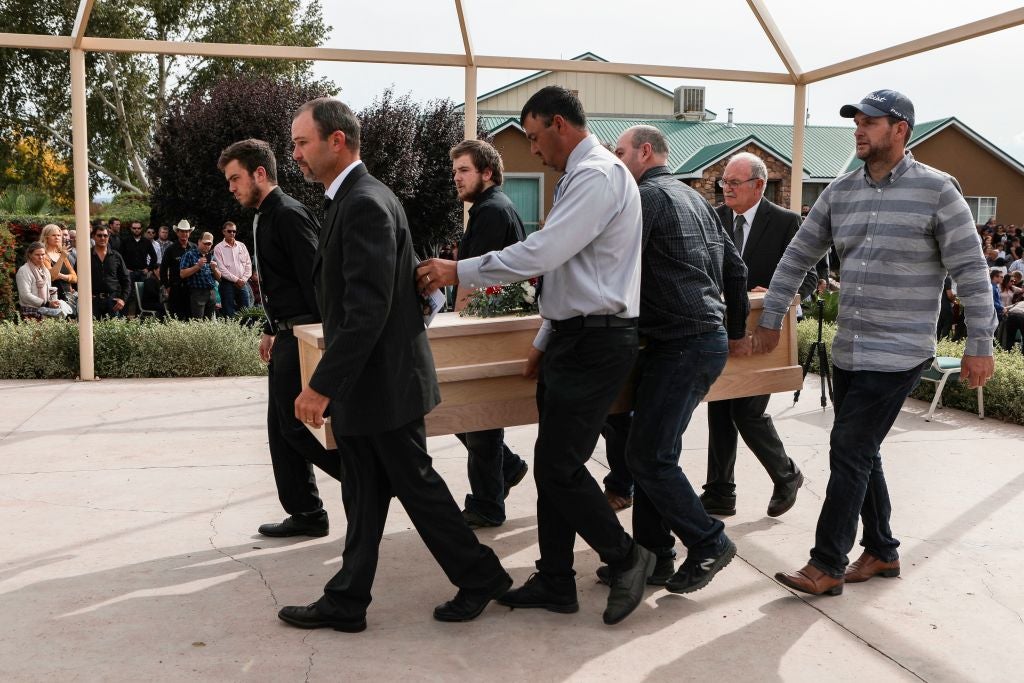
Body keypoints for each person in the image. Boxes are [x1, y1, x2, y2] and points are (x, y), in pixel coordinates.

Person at [418, 86, 655, 626]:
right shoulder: (581, 176)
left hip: (598, 339)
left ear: (558, 125)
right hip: (575, 336)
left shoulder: (596, 175)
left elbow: (546, 254)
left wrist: (461, 269)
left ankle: (627, 557)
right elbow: (568, 272)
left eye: (533, 136)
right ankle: (554, 578)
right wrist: (545, 339)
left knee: (558, 465)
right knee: (554, 465)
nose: (533, 149)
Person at [751, 89, 997, 596]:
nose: (859, 130)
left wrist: (980, 342)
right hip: (850, 350)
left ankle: (827, 564)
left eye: (871, 122)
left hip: (900, 350)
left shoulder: (937, 191)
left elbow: (971, 271)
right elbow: (798, 256)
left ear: (900, 129)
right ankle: (882, 551)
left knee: (849, 448)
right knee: (862, 452)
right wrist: (773, 314)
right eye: (856, 122)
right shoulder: (840, 192)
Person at [284, 98, 510, 631]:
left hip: (382, 385)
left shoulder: (363, 201)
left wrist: (321, 386)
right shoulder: (353, 197)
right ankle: (347, 599)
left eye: (301, 142)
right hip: (375, 384)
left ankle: (480, 575)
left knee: (417, 489)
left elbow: (366, 308)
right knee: (365, 494)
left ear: (336, 141)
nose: (295, 153)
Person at [592, 125, 748, 594]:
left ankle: (708, 540)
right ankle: (656, 555)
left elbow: (614, 269)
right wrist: (733, 334)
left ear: (644, 152)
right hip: (701, 339)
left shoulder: (644, 199)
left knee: (647, 455)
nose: (615, 162)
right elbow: (736, 270)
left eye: (619, 152)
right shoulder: (696, 198)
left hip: (680, 343)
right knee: (658, 450)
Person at [218, 137, 341, 538]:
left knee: (293, 426)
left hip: (305, 334)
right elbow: (278, 282)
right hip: (285, 332)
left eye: (235, 178)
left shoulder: (288, 214)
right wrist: (271, 328)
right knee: (280, 430)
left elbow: (316, 282)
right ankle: (306, 514)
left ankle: (366, 478)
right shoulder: (261, 216)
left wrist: (320, 342)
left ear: (259, 173)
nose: (231, 187)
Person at [701, 152, 811, 518]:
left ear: (759, 185)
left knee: (747, 412)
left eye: (734, 182)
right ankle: (720, 492)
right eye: (724, 182)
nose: (726, 189)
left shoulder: (785, 223)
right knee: (719, 407)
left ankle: (786, 474)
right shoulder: (712, 219)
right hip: (720, 331)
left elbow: (809, 278)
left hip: (766, 336)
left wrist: (773, 297)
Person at [448, 139, 530, 529]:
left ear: (487, 173)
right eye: (455, 172)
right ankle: (507, 469)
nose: (457, 178)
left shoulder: (492, 212)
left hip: (486, 325)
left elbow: (474, 279)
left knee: (476, 415)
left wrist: (458, 321)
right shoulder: (491, 209)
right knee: (471, 415)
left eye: (464, 171)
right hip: (493, 320)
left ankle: (486, 503)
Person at [16, 242, 73, 318]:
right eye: (37, 255)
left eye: (43, 254)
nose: (41, 257)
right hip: (29, 311)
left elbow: (49, 290)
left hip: (45, 311)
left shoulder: (45, 271)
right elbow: (25, 295)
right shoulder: (23, 271)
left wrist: (53, 301)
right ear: (30, 255)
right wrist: (46, 303)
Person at [213, 221, 253, 317]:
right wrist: (237, 280)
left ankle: (247, 332)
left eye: (234, 231)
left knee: (246, 312)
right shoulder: (218, 248)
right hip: (227, 284)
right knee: (229, 313)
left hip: (243, 282)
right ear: (224, 232)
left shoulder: (242, 246)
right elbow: (221, 269)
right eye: (229, 231)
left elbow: (248, 264)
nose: (232, 233)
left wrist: (243, 279)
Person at [90, 225, 130, 319]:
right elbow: (77, 277)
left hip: (113, 301)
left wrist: (123, 299)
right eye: (99, 235)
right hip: (93, 301)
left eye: (105, 235)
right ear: (93, 236)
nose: (102, 238)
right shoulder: (86, 256)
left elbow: (126, 280)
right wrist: (83, 295)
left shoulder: (116, 256)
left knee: (114, 332)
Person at [178, 232, 221, 319]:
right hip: (197, 292)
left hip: (211, 292)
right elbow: (182, 274)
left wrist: (215, 269)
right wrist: (198, 266)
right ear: (199, 242)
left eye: (209, 244)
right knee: (198, 322)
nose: (207, 246)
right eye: (205, 243)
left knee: (210, 324)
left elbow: (219, 278)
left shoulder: (212, 257)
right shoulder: (189, 255)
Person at [160, 220, 195, 320]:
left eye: (186, 231)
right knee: (176, 318)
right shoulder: (171, 249)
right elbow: (163, 269)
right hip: (175, 288)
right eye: (182, 231)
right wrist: (167, 286)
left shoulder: (194, 248)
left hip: (191, 288)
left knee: (191, 318)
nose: (184, 234)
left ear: (189, 233)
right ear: (177, 232)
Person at [40, 224, 77, 306]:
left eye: (59, 235)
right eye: (53, 235)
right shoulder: (44, 255)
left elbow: (75, 278)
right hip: (54, 298)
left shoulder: (61, 253)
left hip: (69, 298)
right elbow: (52, 276)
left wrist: (61, 276)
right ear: (46, 237)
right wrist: (62, 257)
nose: (57, 237)